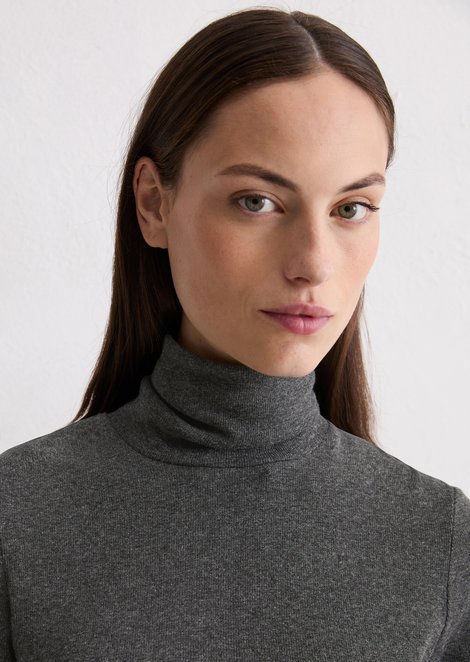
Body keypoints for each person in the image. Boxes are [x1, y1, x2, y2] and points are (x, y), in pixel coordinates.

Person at [1, 7, 468, 660]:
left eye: (351, 208)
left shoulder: (443, 545)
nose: (313, 264)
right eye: (257, 201)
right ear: (154, 203)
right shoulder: (17, 520)